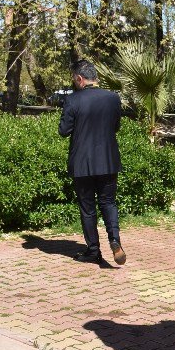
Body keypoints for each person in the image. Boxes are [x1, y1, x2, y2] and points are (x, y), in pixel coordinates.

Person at [58, 60, 126, 265]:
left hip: (82, 163)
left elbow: (63, 131)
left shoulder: (73, 100)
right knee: (109, 202)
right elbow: (116, 127)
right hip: (107, 160)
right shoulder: (113, 98)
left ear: (80, 78)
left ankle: (93, 250)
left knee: (88, 208)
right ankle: (115, 240)